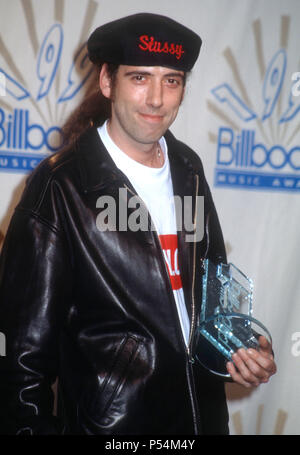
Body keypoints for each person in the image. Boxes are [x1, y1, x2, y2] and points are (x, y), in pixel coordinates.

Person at [0, 13, 276, 435]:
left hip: (203, 422)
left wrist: (239, 352)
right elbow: (23, 365)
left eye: (171, 81)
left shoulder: (189, 169)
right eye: (140, 78)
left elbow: (209, 302)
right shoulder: (63, 186)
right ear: (107, 82)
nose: (156, 100)